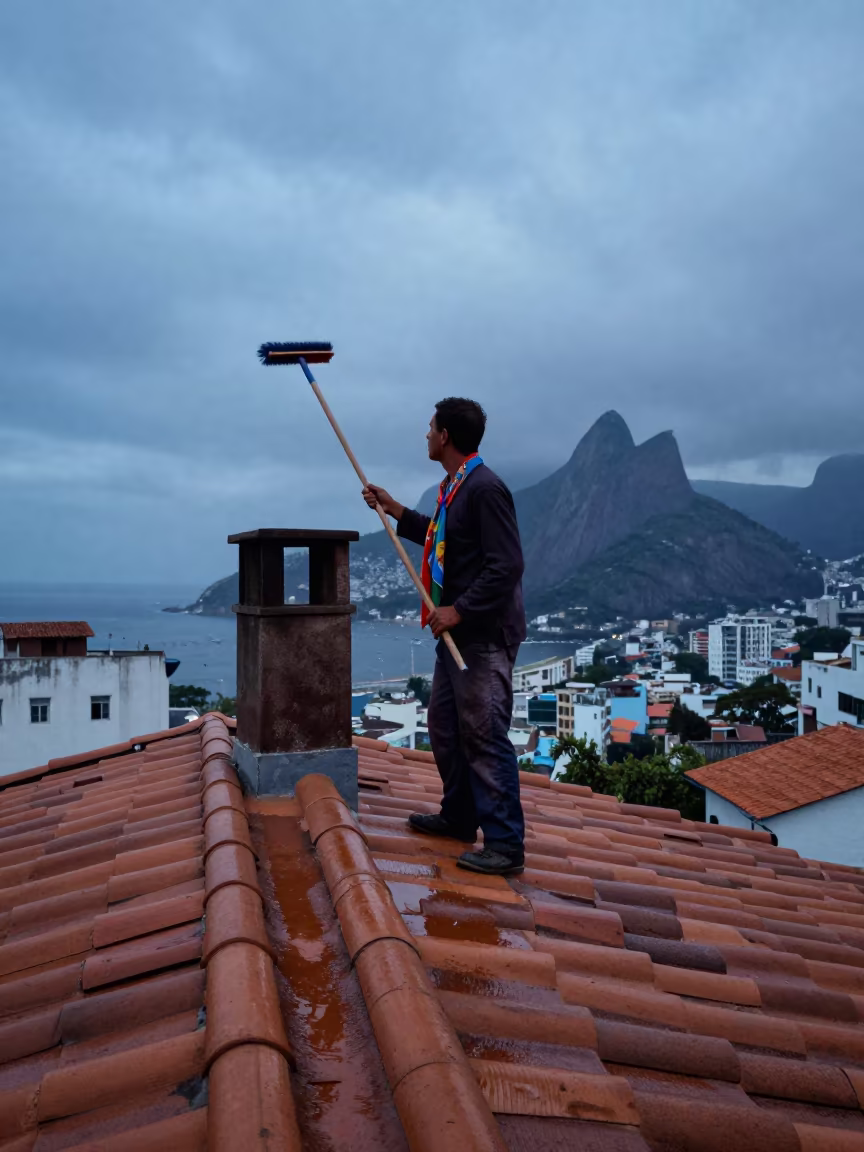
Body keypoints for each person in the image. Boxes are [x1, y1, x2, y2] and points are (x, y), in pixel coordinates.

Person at [363, 397, 526, 875]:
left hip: (483, 635)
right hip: (457, 634)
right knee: (445, 728)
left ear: (446, 437)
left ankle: (505, 844)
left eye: (430, 428)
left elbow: (507, 565)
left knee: (484, 735)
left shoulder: (485, 489)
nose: (427, 435)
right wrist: (395, 509)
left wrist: (459, 610)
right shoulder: (456, 487)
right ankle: (459, 816)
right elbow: (442, 540)